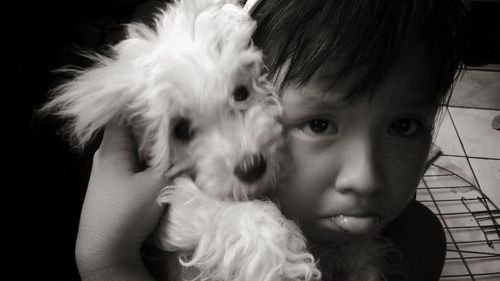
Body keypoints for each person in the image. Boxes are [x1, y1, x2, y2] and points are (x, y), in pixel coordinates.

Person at [74, 0, 466, 280]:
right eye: (317, 125)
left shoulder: (418, 246)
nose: (365, 178)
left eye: (403, 126)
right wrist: (107, 260)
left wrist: (106, 263)